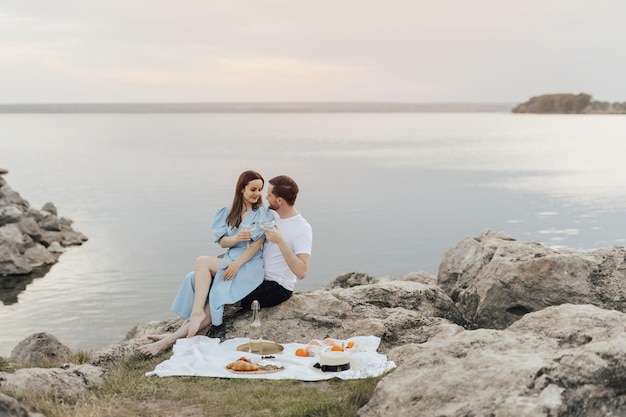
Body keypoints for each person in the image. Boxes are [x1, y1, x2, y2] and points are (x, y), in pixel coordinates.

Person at [139, 174, 312, 357]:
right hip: (253, 271)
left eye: (267, 193)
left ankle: (168, 341)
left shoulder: (301, 228)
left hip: (274, 285)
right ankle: (179, 332)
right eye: (258, 190)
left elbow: (302, 272)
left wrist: (280, 242)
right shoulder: (272, 214)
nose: (263, 197)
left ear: (279, 200)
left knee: (217, 291)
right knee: (198, 279)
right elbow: (238, 236)